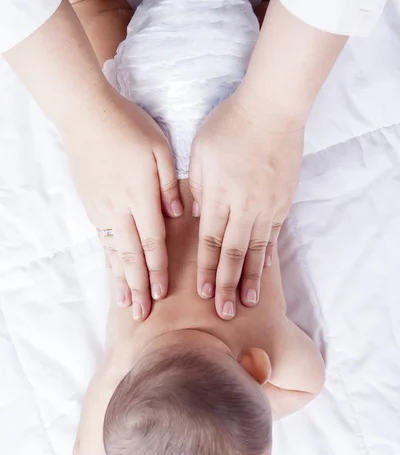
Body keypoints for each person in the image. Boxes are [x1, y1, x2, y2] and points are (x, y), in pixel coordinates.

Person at [70, 0, 325, 455]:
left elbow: (309, 385)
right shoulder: (124, 363)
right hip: (143, 119)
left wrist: (260, 400)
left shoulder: (263, 342)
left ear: (257, 368)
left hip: (230, 82)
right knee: (99, 20)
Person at [1, 0, 386, 321]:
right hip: (171, 91)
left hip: (220, 71)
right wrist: (270, 114)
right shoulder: (132, 378)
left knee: (98, 14)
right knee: (98, 13)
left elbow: (306, 378)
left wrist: (85, 116)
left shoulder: (251, 357)